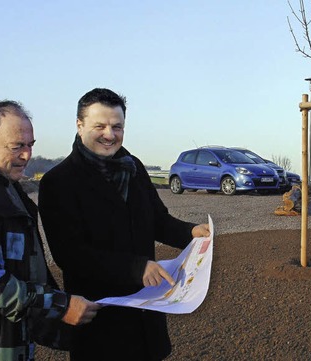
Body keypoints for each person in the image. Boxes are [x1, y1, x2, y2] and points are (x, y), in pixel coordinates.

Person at [38, 88, 210, 360]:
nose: (110, 134)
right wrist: (135, 268)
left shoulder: (134, 168)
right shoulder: (59, 182)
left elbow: (158, 221)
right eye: (100, 126)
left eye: (117, 126)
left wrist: (190, 232)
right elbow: (69, 254)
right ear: (79, 125)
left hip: (146, 316)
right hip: (101, 320)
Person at [0, 101, 100, 360]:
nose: (26, 155)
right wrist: (59, 306)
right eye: (17, 146)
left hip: (4, 340)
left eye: (30, 145)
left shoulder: (1, 180)